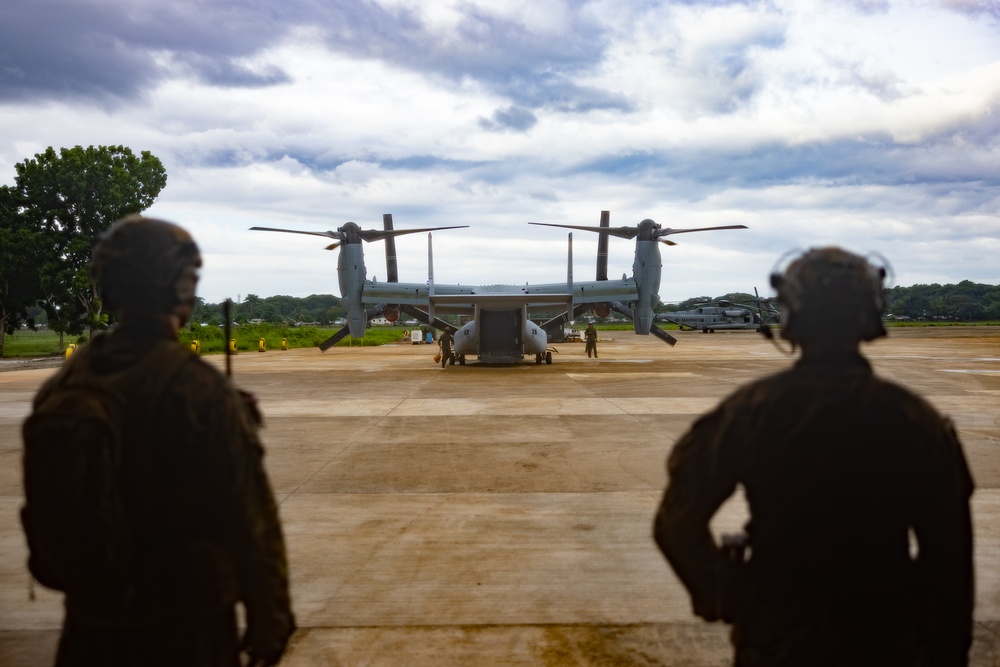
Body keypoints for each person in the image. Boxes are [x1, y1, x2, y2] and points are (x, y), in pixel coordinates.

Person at [653, 247, 974, 666]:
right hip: (885, 638)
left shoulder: (750, 411)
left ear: (792, 313)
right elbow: (949, 558)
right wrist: (946, 651)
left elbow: (677, 523)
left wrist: (728, 593)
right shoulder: (915, 421)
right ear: (869, 313)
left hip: (778, 636)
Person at [29, 216, 295, 666]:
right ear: (179, 287)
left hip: (90, 630)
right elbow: (250, 519)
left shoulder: (64, 384)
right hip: (185, 630)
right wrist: (271, 617)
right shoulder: (196, 389)